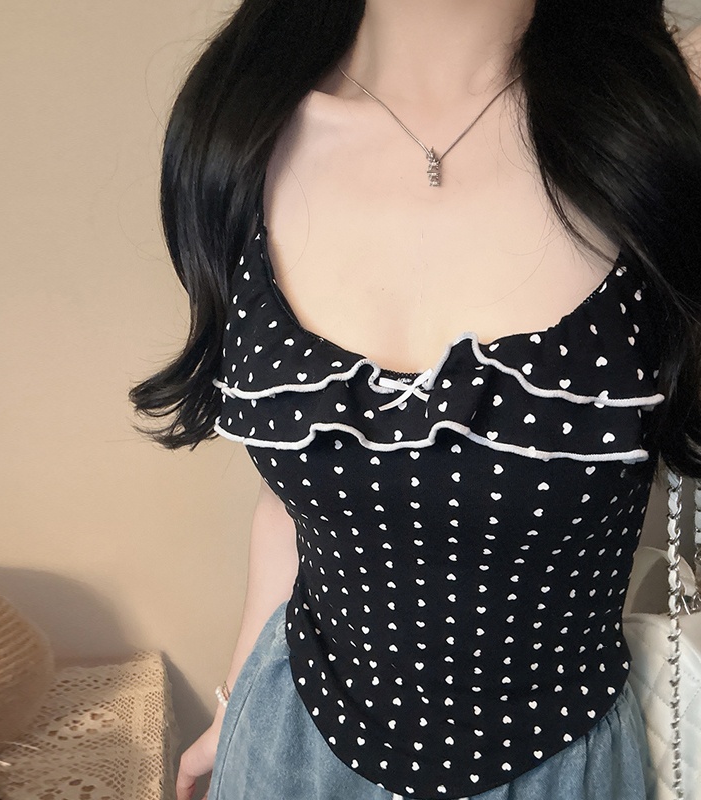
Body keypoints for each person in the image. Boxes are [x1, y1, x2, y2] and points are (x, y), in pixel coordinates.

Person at [129, 1, 701, 798]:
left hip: (556, 766)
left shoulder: (667, 116)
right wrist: (232, 708)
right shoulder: (238, 136)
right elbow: (294, 507)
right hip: (292, 748)